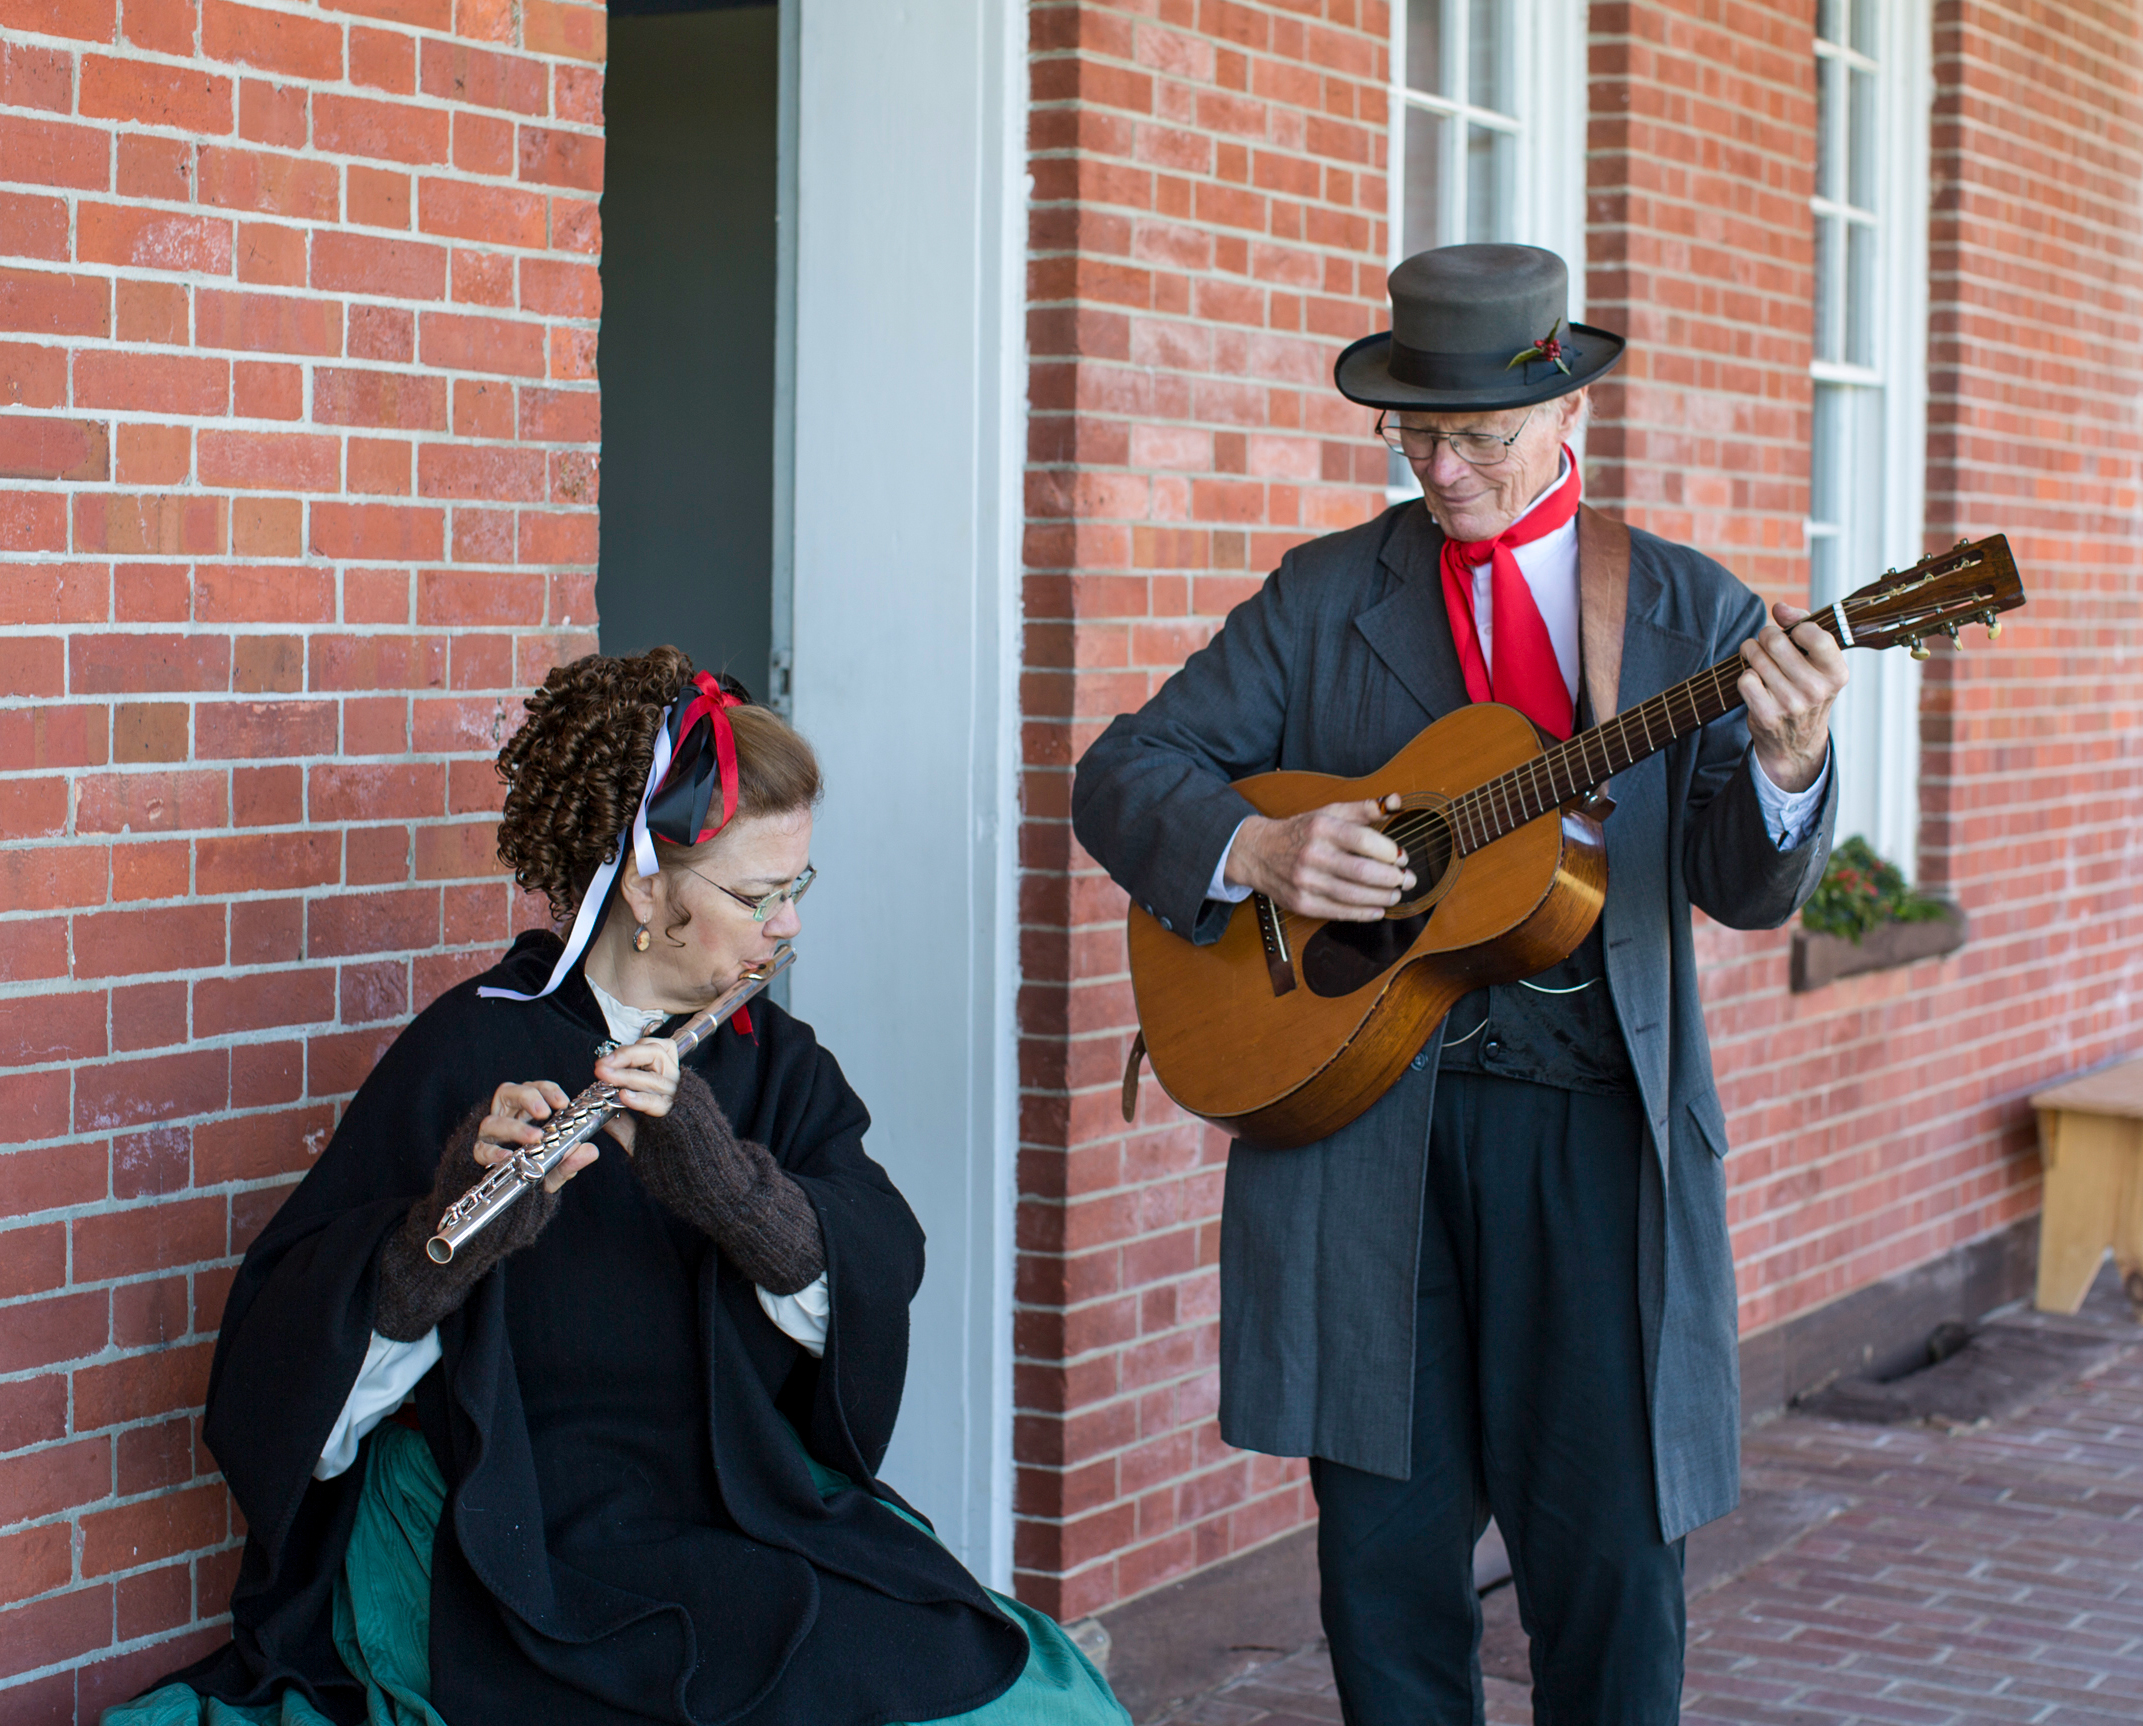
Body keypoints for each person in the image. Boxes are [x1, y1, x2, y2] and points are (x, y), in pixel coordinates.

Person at [1071, 244, 1849, 1725]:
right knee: (1385, 1570)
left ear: (1569, 418)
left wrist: (1791, 763)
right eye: (1412, 433)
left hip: (1599, 1151)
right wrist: (1257, 844)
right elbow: (1124, 773)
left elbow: (1745, 889)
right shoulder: (1321, 598)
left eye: (1474, 437)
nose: (1441, 468)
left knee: (1611, 1566)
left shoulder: (1685, 610)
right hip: (1368, 1140)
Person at [111, 648, 1128, 1726]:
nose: (787, 924)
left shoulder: (777, 1062)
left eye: (798, 887)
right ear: (646, 884)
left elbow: (881, 1259)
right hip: (518, 1531)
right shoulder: (470, 1047)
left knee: (1001, 1688)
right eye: (756, 893)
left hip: (738, 1505)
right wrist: (443, 1239)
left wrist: (739, 1196)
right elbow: (286, 1379)